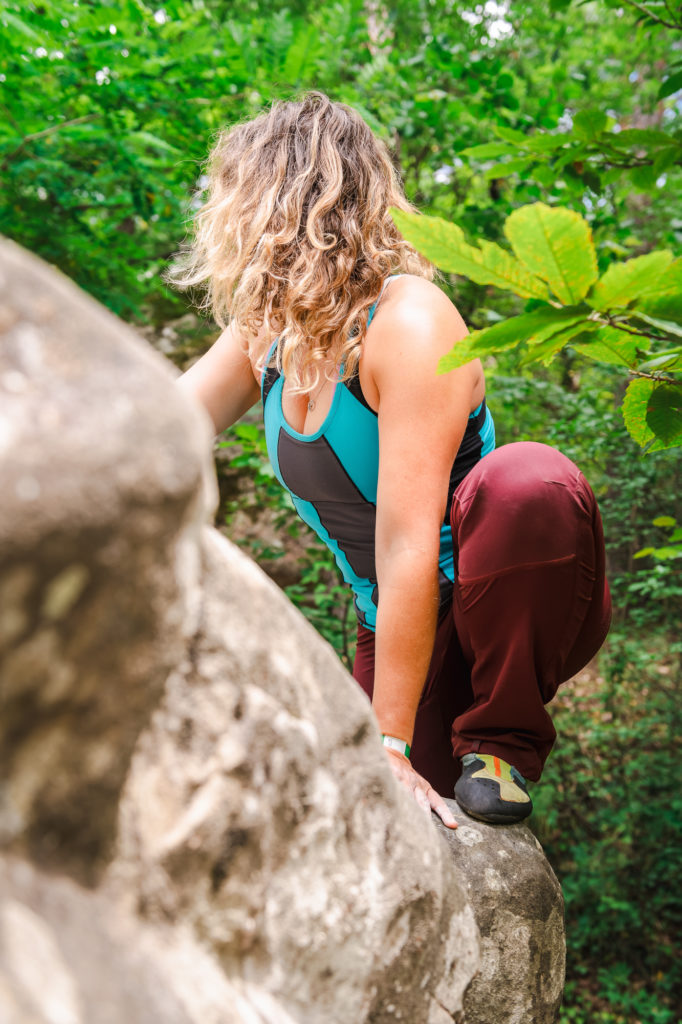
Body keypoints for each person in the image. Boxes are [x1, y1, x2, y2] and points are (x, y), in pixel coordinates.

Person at [170, 92, 611, 829]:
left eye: (230, 198)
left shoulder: (408, 322)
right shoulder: (266, 334)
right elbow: (160, 425)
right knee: (367, 825)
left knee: (528, 478)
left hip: (499, 606)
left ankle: (500, 741)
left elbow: (409, 541)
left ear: (281, 199)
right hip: (397, 630)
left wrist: (389, 738)